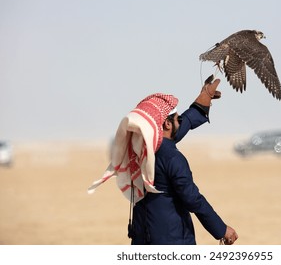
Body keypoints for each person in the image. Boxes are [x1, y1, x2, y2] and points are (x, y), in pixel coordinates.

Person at [88, 75, 238, 245]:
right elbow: (192, 198)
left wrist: (201, 103)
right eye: (176, 119)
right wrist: (221, 229)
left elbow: (173, 131)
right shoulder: (173, 158)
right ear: (167, 124)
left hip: (142, 239)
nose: (180, 122)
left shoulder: (139, 150)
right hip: (172, 241)